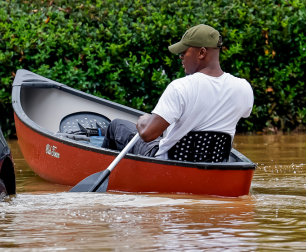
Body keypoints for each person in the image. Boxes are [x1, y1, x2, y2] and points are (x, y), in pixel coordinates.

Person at [101, 24, 253, 159]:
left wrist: (143, 122)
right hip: (214, 163)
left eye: (184, 52)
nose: (180, 57)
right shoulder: (243, 88)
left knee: (116, 125)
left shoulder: (181, 87)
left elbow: (148, 134)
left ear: (201, 53)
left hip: (169, 162)